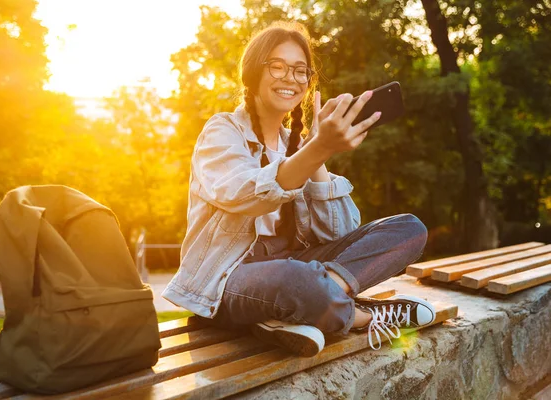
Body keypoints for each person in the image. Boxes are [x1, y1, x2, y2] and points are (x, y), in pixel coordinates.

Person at [162, 21, 434, 357]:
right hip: (231, 277)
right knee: (296, 278)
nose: (290, 78)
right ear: (252, 74)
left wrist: (317, 151)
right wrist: (317, 149)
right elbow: (247, 195)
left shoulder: (301, 147)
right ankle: (366, 315)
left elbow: (340, 233)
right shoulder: (222, 131)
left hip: (297, 266)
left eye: (300, 71)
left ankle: (297, 307)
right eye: (277, 66)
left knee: (409, 229)